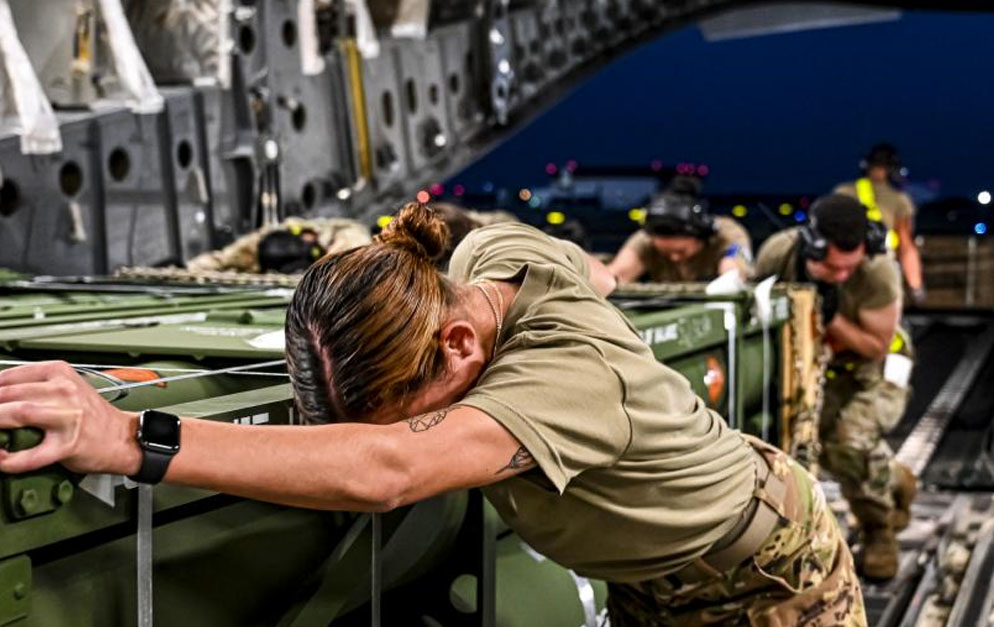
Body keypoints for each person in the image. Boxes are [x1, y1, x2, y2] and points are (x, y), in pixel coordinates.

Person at [0, 203, 865, 625]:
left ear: (456, 346)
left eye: (397, 410)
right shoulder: (490, 259)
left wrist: (125, 435)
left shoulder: (566, 378)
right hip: (654, 574)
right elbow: (589, 273)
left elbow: (389, 470)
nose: (389, 431)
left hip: (766, 578)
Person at [754, 194, 917, 581]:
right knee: (801, 443)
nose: (843, 275)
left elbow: (875, 345)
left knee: (848, 443)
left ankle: (879, 529)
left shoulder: (878, 271)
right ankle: (893, 477)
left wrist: (827, 313)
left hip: (873, 371)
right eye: (832, 267)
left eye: (849, 268)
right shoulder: (781, 253)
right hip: (810, 364)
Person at [608, 181, 753, 284]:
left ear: (701, 238)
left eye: (681, 251)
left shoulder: (725, 234)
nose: (674, 258)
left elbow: (734, 273)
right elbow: (617, 275)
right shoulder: (646, 239)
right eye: (665, 253)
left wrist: (730, 273)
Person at [835, 143, 925, 301]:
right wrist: (916, 286)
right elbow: (906, 246)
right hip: (881, 270)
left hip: (844, 271)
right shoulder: (899, 200)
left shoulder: (844, 192)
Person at [186, 217, 372, 274]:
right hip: (265, 264)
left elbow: (352, 251)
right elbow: (221, 260)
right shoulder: (263, 243)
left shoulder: (350, 237)